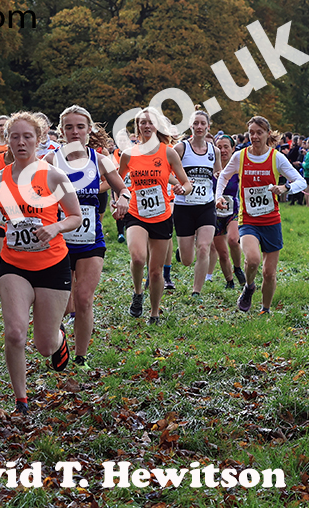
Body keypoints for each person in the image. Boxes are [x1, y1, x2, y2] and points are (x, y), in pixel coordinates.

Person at [0, 111, 81, 414]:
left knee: (44, 345)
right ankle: (21, 400)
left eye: (27, 137)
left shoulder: (53, 176)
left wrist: (56, 227)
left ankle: (59, 339)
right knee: (14, 333)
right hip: (14, 265)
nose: (21, 142)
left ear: (39, 139)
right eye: (15, 137)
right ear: (6, 140)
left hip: (52, 264)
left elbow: (75, 216)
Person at [45, 106, 131, 370]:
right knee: (61, 302)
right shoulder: (51, 160)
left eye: (80, 127)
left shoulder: (100, 160)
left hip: (91, 241)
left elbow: (123, 188)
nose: (75, 132)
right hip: (58, 241)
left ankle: (80, 357)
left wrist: (123, 199)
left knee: (83, 299)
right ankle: (58, 340)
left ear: (89, 129)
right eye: (69, 127)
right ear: (61, 131)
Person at [215, 116, 306, 314]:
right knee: (254, 259)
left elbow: (301, 181)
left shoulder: (276, 157)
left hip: (271, 220)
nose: (254, 136)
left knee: (269, 273)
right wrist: (218, 196)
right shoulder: (240, 156)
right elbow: (223, 176)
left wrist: (285, 188)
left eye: (259, 132)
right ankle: (249, 287)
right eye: (251, 133)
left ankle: (265, 309)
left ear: (267, 134)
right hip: (248, 220)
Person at [117, 108, 192, 324]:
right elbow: (118, 182)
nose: (146, 126)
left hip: (161, 215)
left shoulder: (168, 153)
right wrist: (119, 199)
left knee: (156, 271)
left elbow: (186, 183)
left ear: (157, 126)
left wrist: (182, 189)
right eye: (142, 122)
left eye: (150, 122)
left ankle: (154, 312)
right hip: (135, 213)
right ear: (137, 126)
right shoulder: (128, 154)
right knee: (138, 257)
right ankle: (138, 293)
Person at [172, 110, 222, 297]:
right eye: (196, 123)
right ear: (190, 126)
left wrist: (219, 180)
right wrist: (178, 184)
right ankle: (182, 249)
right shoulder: (180, 148)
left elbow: (218, 175)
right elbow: (167, 173)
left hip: (206, 206)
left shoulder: (214, 151)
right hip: (184, 207)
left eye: (203, 123)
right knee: (187, 260)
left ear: (208, 126)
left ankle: (196, 291)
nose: (199, 127)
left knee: (203, 247)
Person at [209, 134, 245, 288]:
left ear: (233, 149)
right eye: (219, 147)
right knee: (222, 253)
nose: (222, 150)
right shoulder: (209, 167)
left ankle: (238, 268)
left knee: (233, 239)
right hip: (215, 214)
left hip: (233, 210)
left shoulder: (237, 168)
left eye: (226, 147)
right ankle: (229, 281)